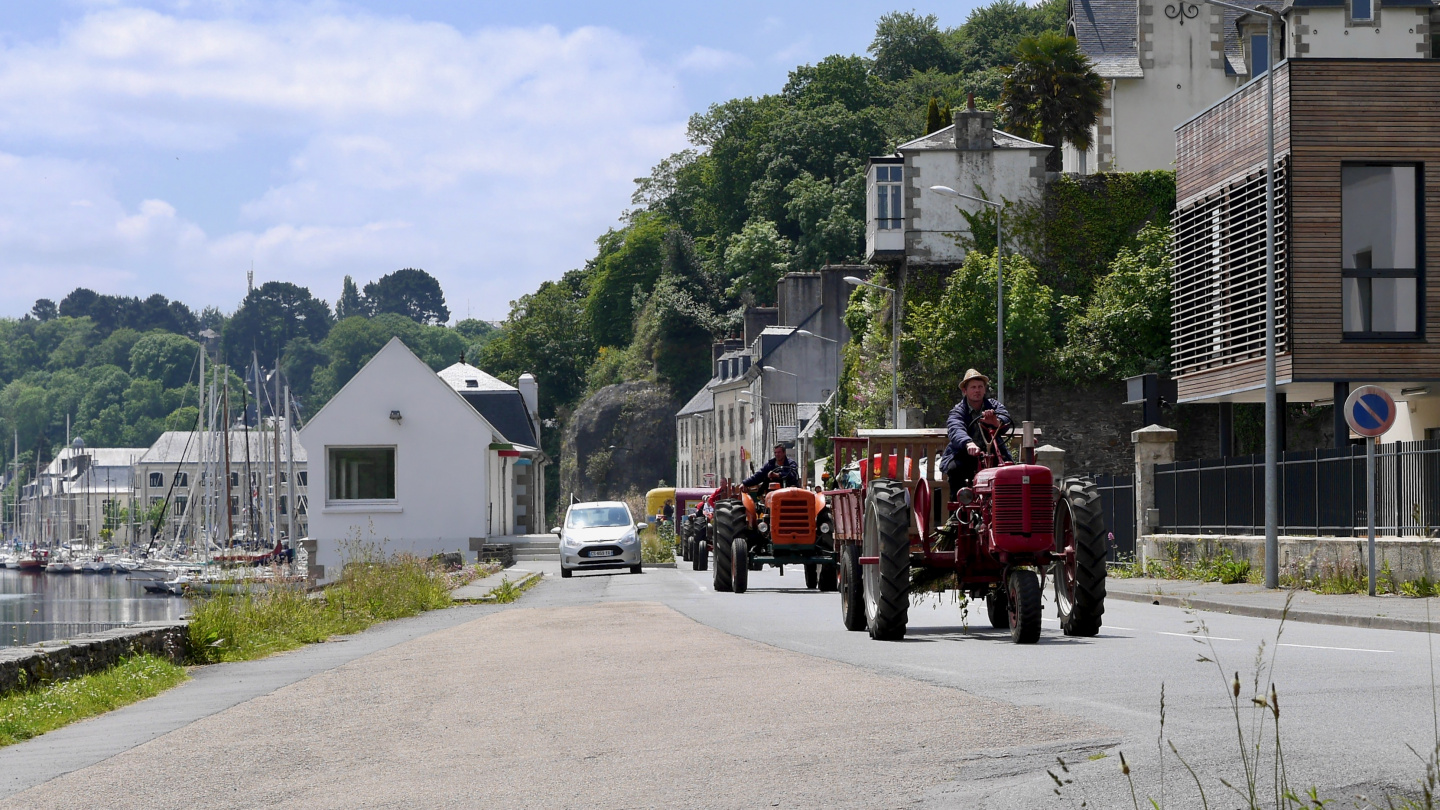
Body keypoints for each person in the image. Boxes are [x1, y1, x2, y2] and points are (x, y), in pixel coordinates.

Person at [938, 369, 1013, 496]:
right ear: (965, 391)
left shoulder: (994, 406)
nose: (977, 390)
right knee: (954, 469)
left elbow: (1006, 418)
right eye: (973, 387)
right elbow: (956, 428)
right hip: (965, 454)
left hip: (993, 454)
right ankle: (958, 512)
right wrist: (968, 444)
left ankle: (1003, 509)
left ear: (984, 390)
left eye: (980, 387)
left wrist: (995, 422)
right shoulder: (958, 411)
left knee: (1009, 472)